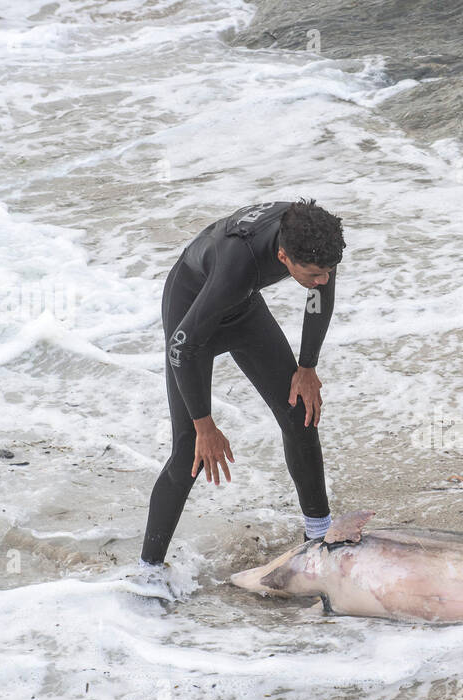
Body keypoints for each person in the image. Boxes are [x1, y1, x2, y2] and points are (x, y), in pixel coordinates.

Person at [140, 199, 344, 571]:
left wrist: (307, 367)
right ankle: (147, 571)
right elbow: (182, 348)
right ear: (283, 256)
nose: (323, 280)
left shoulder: (313, 237)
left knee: (299, 412)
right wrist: (205, 425)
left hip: (243, 309)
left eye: (329, 270)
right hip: (193, 315)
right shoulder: (236, 264)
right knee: (190, 451)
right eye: (314, 273)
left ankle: (318, 536)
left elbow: (320, 294)